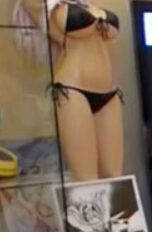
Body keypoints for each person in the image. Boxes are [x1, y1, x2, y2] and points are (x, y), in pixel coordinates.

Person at [14, 0, 122, 181]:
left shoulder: (87, 4)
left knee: (114, 175)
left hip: (109, 91)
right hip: (73, 89)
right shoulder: (39, 4)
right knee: (86, 178)